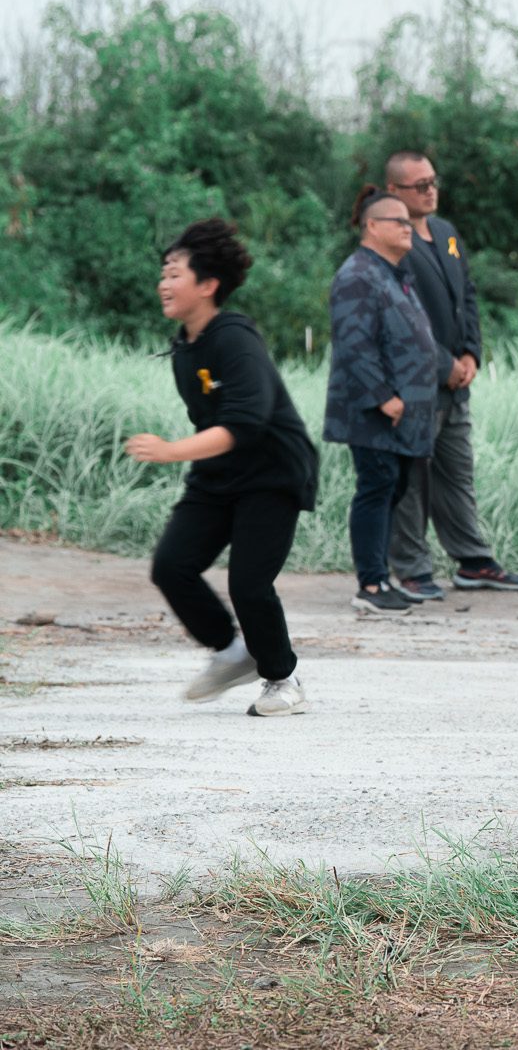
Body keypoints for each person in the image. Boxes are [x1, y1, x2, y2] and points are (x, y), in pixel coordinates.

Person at [125, 219, 319, 717]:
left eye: (175, 274)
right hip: (219, 475)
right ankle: (233, 653)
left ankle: (282, 678)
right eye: (163, 275)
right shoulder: (185, 349)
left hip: (272, 473)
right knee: (172, 566)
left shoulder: (234, 338)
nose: (163, 284)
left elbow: (247, 422)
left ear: (208, 285)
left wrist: (172, 450)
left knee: (249, 583)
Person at [383, 151, 518, 600]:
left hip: (455, 381)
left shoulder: (445, 234)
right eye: (418, 185)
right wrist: (444, 365)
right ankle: (410, 569)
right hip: (414, 382)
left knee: (456, 473)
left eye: (432, 181)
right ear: (394, 192)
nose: (430, 190)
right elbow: (404, 317)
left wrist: (471, 355)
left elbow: (467, 294)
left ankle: (473, 560)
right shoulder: (392, 243)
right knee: (411, 480)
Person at [325, 186, 440, 616]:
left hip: (404, 411)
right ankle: (370, 585)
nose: (408, 228)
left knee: (391, 489)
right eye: (399, 222)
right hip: (375, 411)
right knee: (375, 489)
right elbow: (354, 345)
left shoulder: (392, 272)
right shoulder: (357, 275)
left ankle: (381, 577)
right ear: (372, 226)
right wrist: (383, 397)